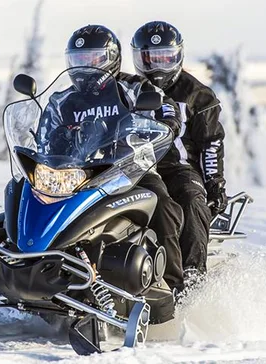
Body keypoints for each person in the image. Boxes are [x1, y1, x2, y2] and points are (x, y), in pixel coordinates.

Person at [39, 24, 187, 296]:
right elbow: (45, 136)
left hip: (130, 171)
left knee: (162, 205)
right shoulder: (63, 101)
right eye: (79, 60)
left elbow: (167, 108)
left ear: (111, 59)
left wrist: (165, 123)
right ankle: (17, 266)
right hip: (76, 176)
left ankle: (174, 287)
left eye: (93, 59)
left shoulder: (133, 87)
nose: (85, 67)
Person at [130, 21, 228, 291]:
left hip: (179, 168)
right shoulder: (129, 89)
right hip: (134, 166)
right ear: (139, 59)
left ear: (178, 56)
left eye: (165, 58)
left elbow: (211, 143)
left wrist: (215, 183)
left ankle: (192, 280)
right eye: (151, 59)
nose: (158, 67)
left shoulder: (198, 95)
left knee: (191, 201)